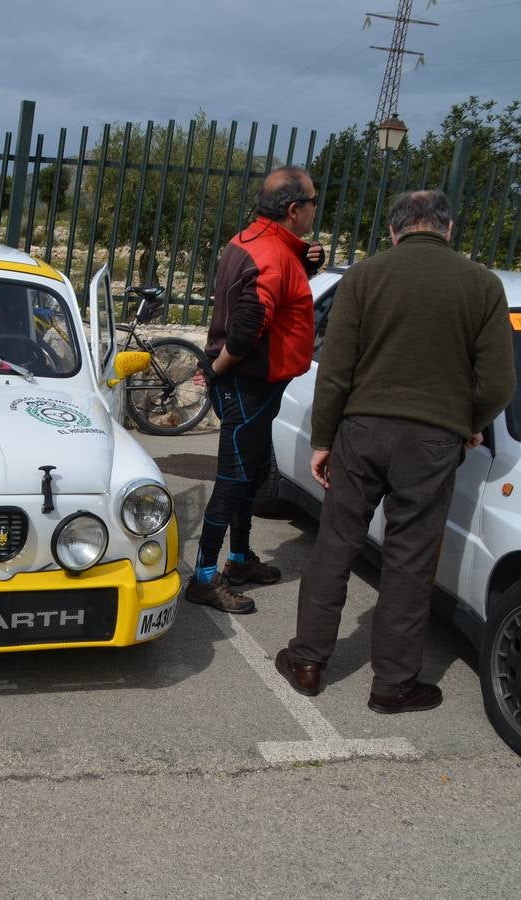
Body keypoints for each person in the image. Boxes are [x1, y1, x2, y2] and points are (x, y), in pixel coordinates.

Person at [275, 190, 515, 714]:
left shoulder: (364, 277)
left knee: (336, 544)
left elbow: (335, 371)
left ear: (393, 231)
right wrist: (467, 423)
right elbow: (499, 381)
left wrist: (323, 440)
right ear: (448, 230)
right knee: (410, 561)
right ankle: (393, 684)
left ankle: (308, 661)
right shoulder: (483, 286)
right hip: (433, 441)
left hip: (361, 431)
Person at [186, 165, 324, 614]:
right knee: (232, 480)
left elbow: (268, 287)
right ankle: (205, 577)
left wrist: (303, 261)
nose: (314, 210)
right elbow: (247, 332)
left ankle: (240, 559)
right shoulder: (272, 255)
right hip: (247, 383)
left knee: (249, 475)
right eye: (312, 202)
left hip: (258, 385)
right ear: (293, 209)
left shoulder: (248, 241)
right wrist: (217, 372)